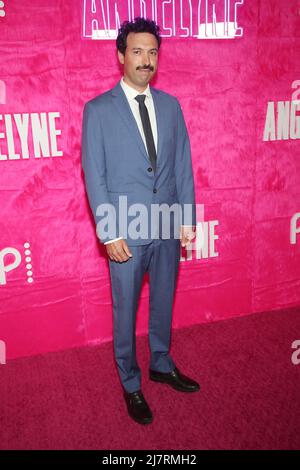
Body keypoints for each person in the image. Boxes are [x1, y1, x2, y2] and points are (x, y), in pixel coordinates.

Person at [82, 17, 200, 425]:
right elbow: (93, 175)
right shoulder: (97, 111)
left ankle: (161, 363)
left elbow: (182, 162)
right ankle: (131, 383)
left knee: (164, 300)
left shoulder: (171, 105)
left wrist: (186, 216)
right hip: (125, 230)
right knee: (125, 309)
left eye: (152, 52)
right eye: (137, 51)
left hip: (168, 223)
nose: (146, 60)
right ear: (121, 56)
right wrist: (108, 230)